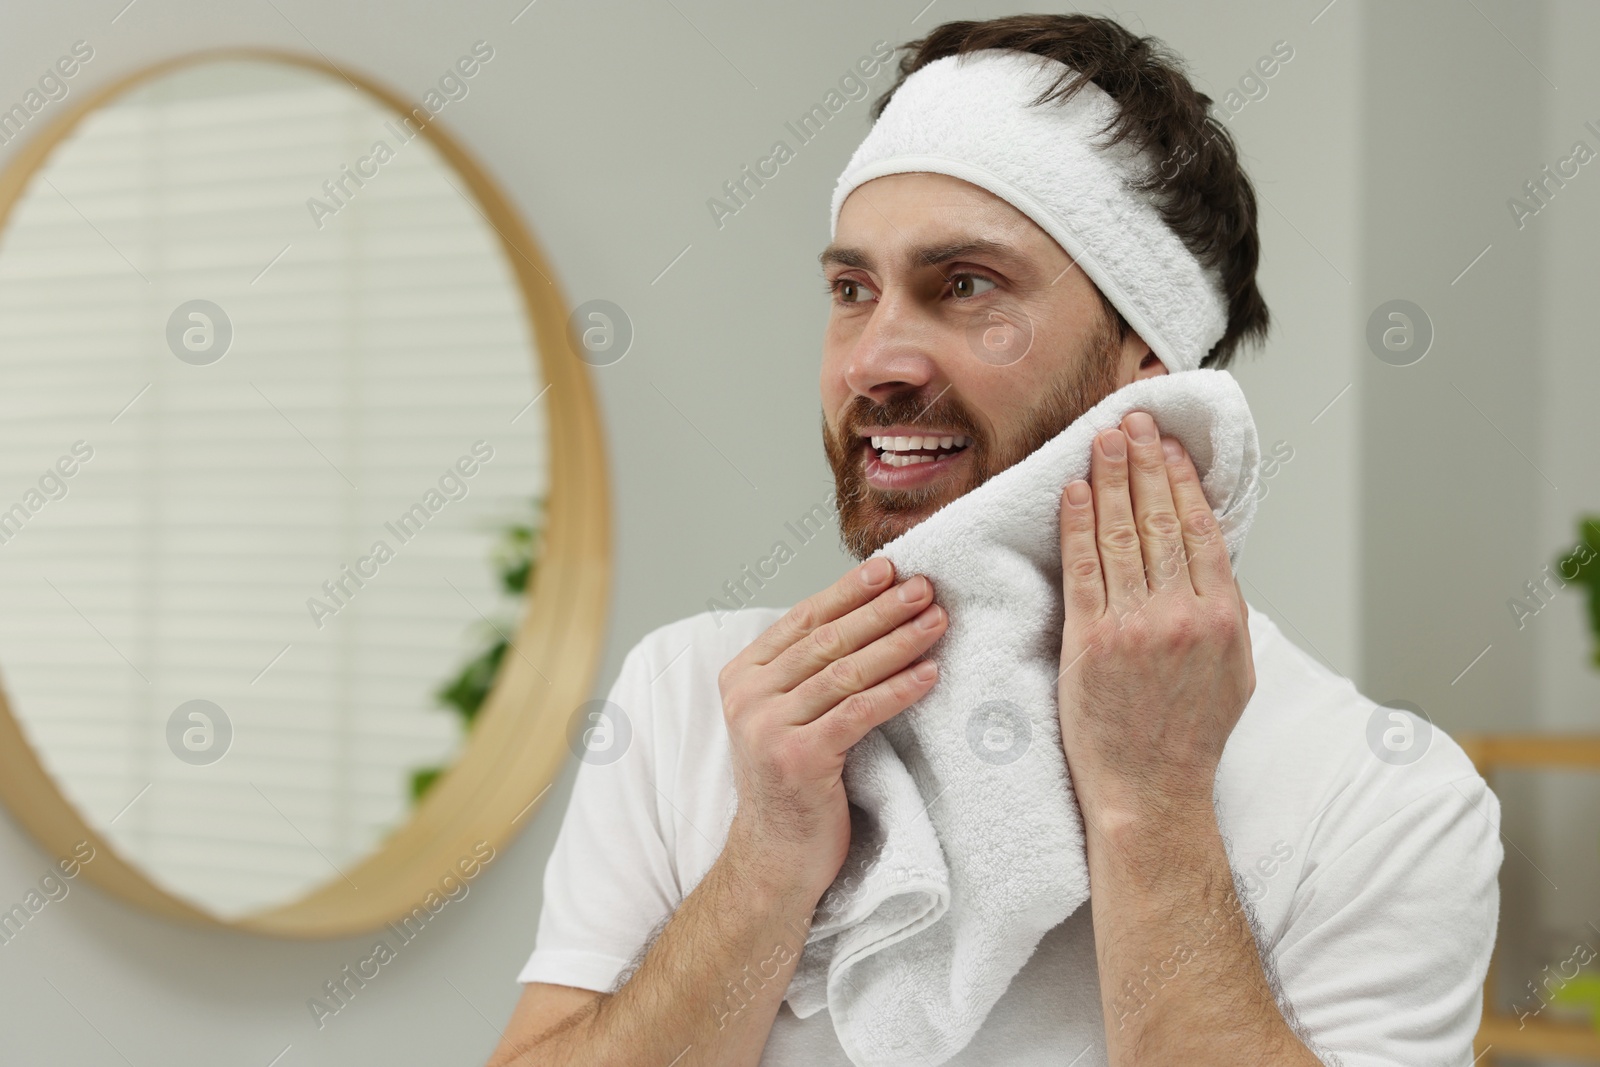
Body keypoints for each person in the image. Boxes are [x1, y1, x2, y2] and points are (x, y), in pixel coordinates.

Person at [488, 14, 1502, 1067]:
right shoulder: (698, 701)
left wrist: (1150, 809)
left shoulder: (1377, 795)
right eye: (851, 290)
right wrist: (764, 863)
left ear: (1147, 367)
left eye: (964, 284)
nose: (870, 360)